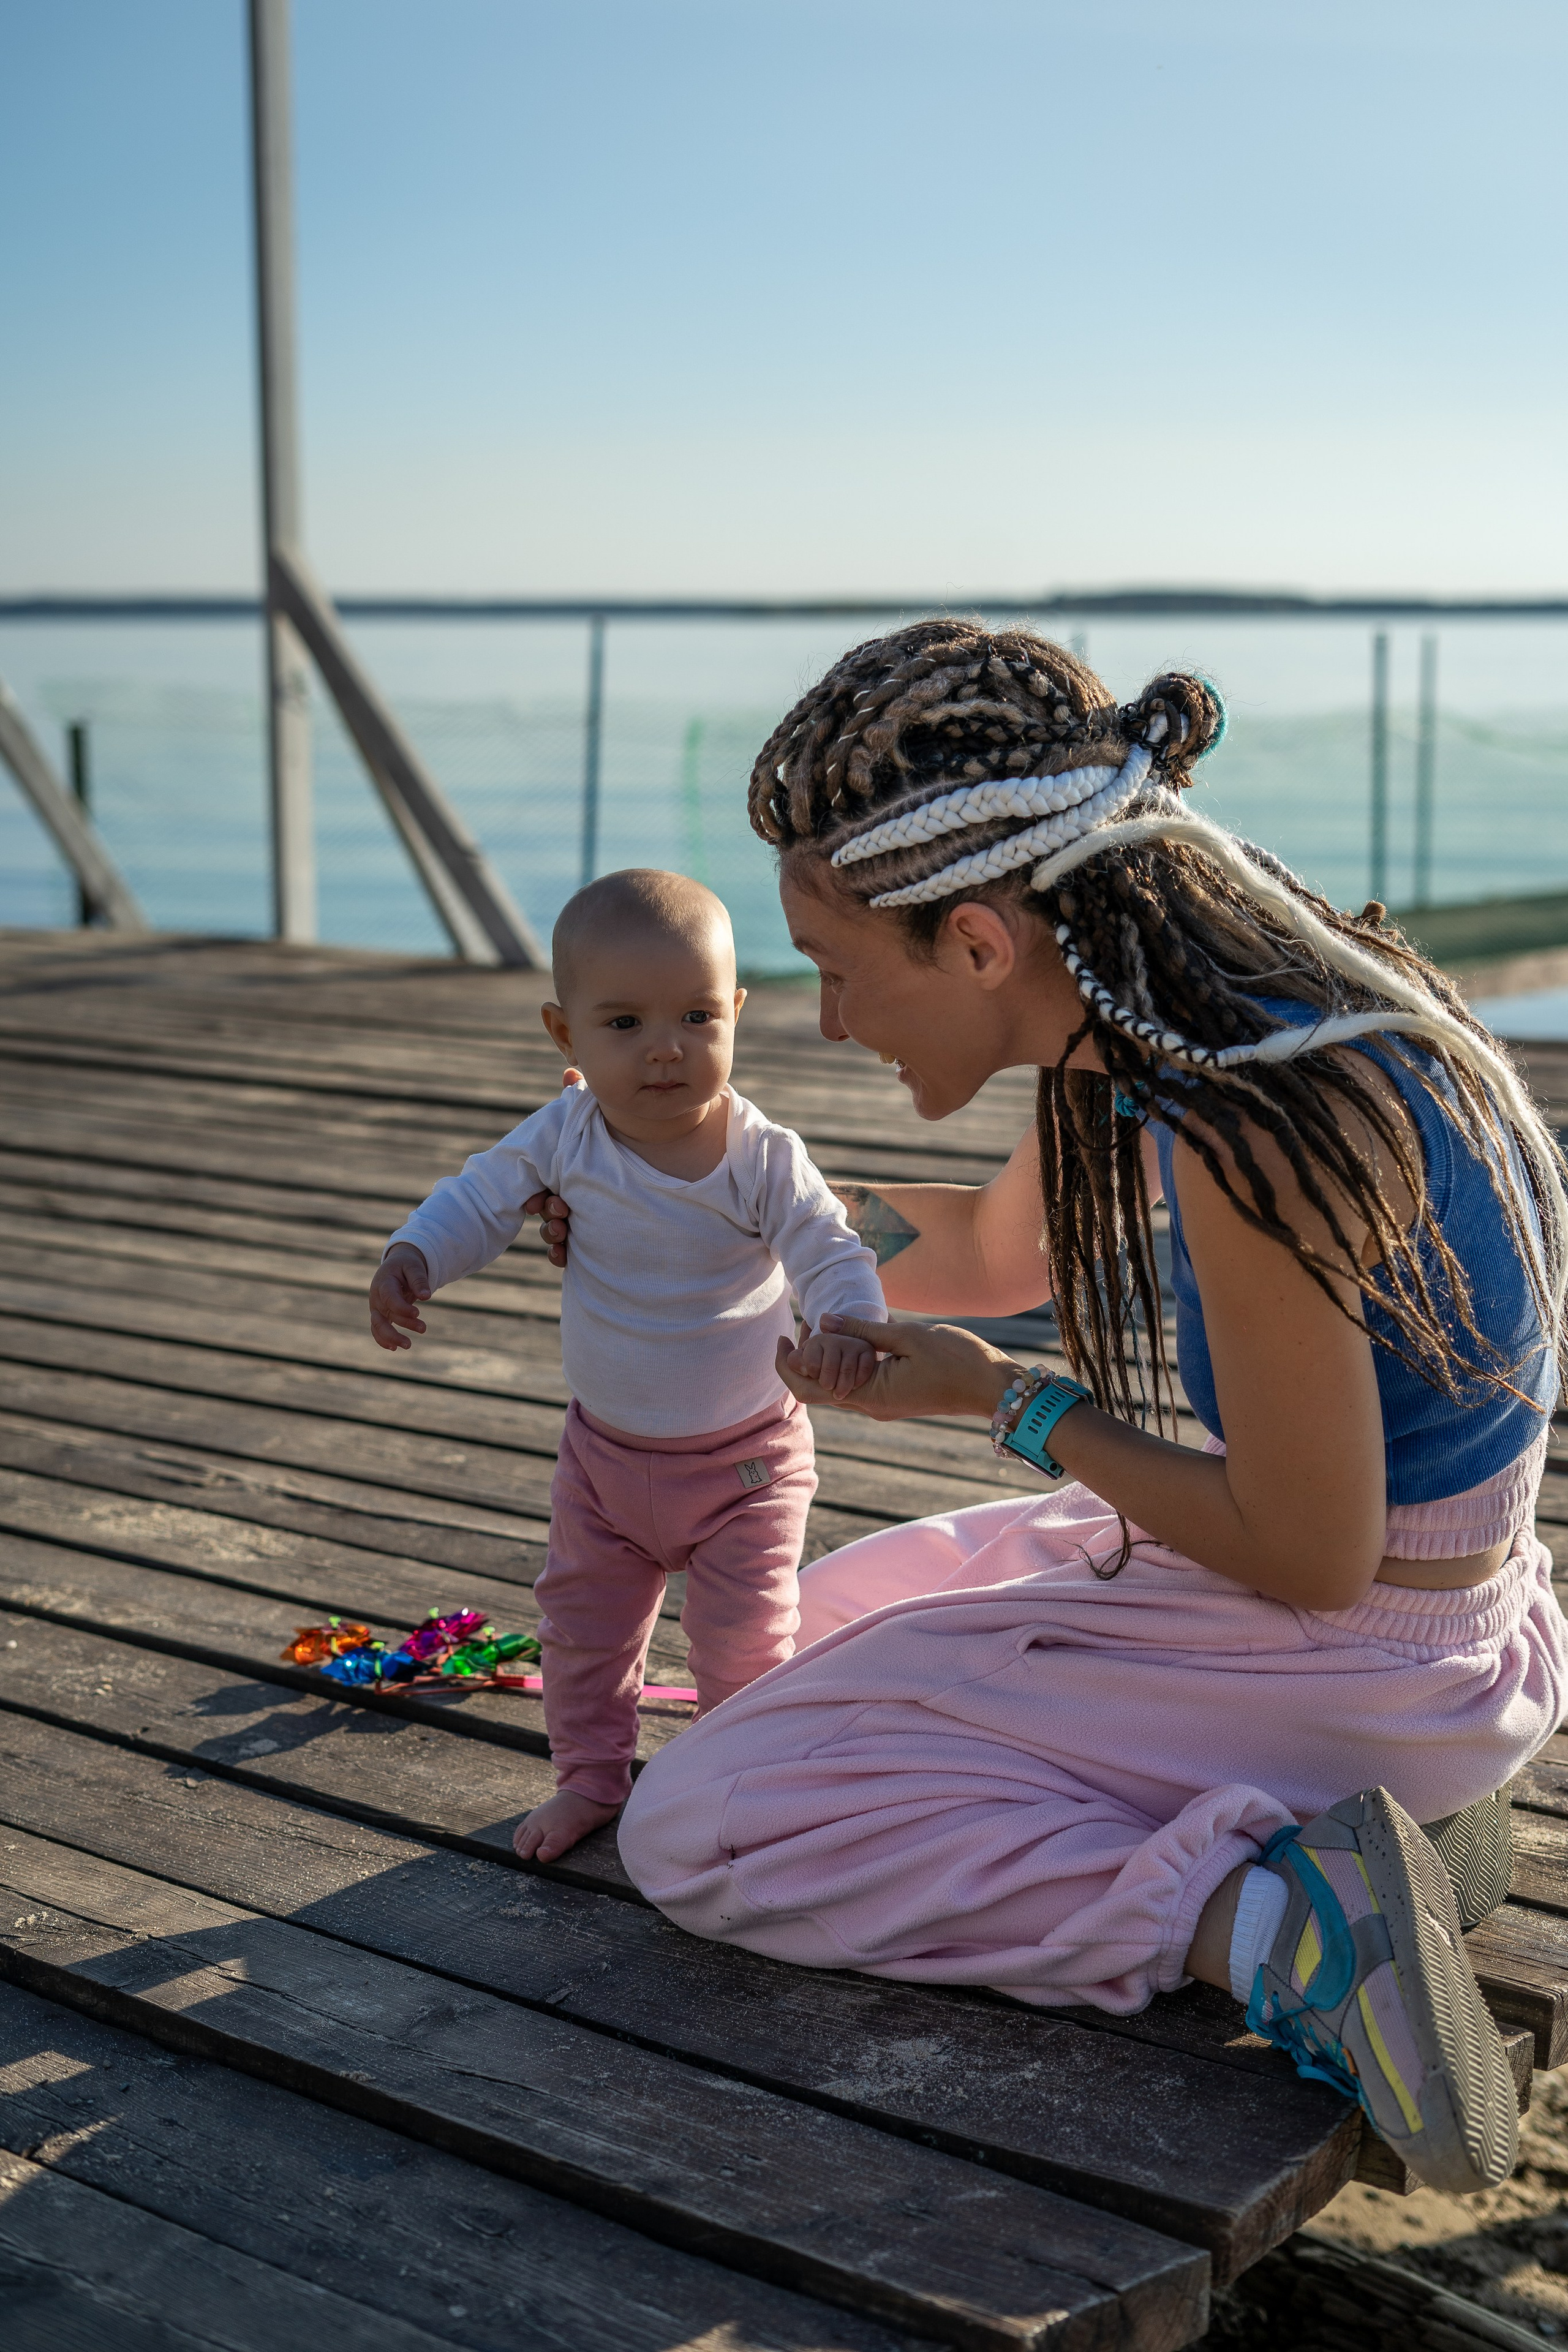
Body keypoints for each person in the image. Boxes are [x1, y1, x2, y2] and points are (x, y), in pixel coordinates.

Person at [608, 624, 1567, 2196]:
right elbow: (984, 1252)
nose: (834, 1024)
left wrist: (1015, 1410)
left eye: (840, 973)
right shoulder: (1184, 1020)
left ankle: (1270, 1929)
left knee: (706, 1822)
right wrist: (717, 1221)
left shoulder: (1240, 1133)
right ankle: (1358, 1829)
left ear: (978, 943)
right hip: (1419, 1614)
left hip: (1363, 1640)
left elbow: (1308, 1555)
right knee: (791, 1641)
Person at [367, 869, 884, 1861]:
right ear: (565, 1036)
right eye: (625, 1024)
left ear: (736, 1011)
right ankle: (594, 1779)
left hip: (748, 1466)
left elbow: (825, 1242)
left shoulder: (761, 1155)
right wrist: (413, 1256)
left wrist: (850, 1321)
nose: (666, 1048)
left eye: (697, 1015)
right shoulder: (565, 1133)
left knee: (743, 1647)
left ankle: (731, 1780)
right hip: (603, 1462)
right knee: (583, 1634)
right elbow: (479, 1197)